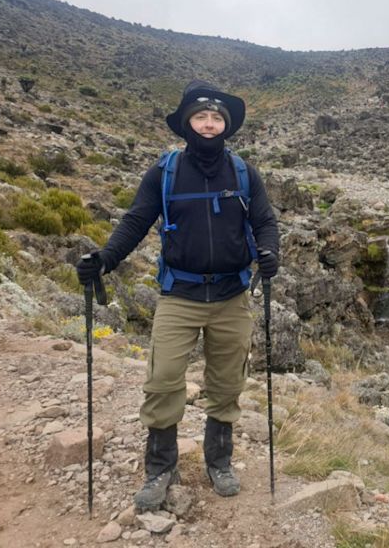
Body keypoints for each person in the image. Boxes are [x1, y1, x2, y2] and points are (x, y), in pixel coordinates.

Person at [76, 80, 279, 510]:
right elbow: (135, 222)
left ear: (226, 125)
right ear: (187, 123)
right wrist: (106, 259)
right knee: (163, 380)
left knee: (226, 383)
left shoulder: (244, 173)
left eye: (217, 117)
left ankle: (219, 461)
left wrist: (269, 252)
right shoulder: (164, 173)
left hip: (231, 296)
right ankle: (160, 469)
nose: (209, 124)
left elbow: (265, 221)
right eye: (201, 117)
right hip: (179, 296)